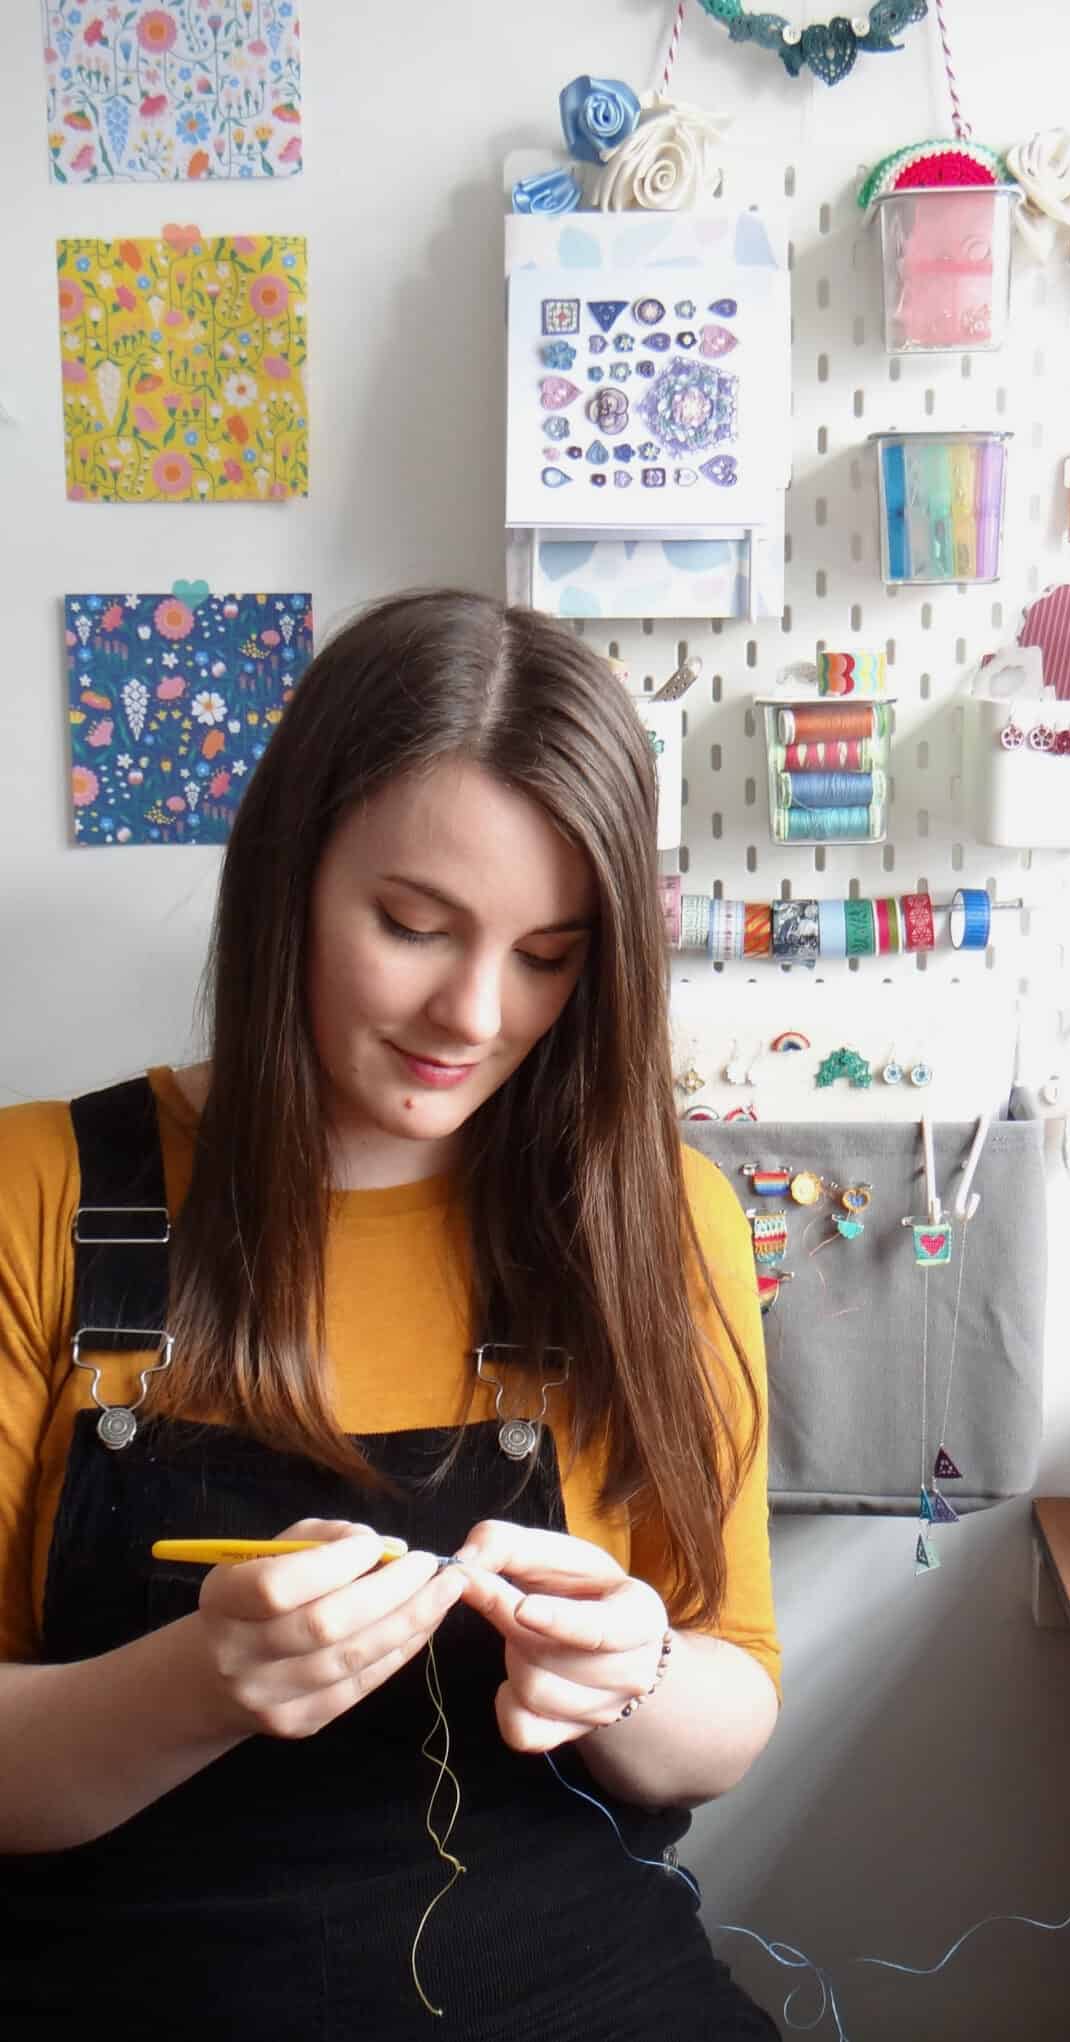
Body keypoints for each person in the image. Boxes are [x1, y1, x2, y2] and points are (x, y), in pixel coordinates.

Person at [0, 590, 782, 2041]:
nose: (476, 1015)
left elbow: (733, 1703)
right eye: (414, 926)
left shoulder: (659, 1219)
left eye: (548, 954)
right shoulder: (36, 1192)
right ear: (289, 874)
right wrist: (195, 1681)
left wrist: (634, 1674)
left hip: (574, 1977)